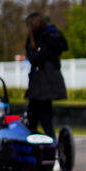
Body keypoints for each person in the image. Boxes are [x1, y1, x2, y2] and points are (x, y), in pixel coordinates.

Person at [24, 11, 68, 139]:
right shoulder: (38, 38)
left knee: (43, 117)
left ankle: (49, 145)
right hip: (40, 84)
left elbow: (36, 57)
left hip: (44, 85)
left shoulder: (48, 37)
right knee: (35, 116)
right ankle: (40, 142)